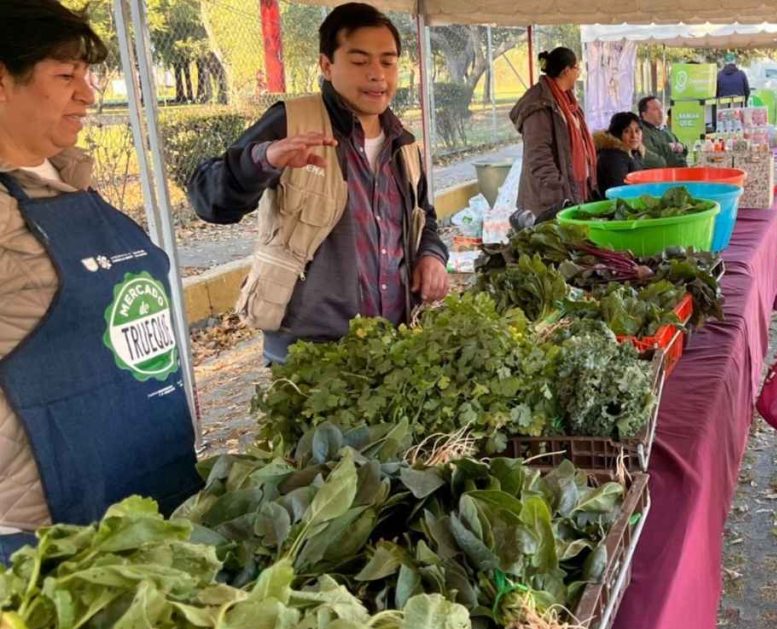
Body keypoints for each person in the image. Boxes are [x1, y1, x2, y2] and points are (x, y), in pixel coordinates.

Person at [0, 0, 201, 559]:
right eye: (65, 76)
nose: (88, 94)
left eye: (86, 75)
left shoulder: (68, 178)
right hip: (56, 533)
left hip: (149, 486)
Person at [189, 3, 448, 365]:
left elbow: (425, 218)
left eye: (388, 62)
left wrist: (431, 256)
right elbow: (208, 200)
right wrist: (262, 160)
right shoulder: (293, 122)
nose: (377, 75)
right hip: (312, 356)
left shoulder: (402, 142)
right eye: (360, 61)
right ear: (327, 65)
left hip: (393, 345)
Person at [510, 47, 597, 217]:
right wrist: (557, 187)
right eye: (577, 68)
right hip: (549, 198)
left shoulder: (566, 100)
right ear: (566, 71)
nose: (578, 73)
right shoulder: (539, 104)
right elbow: (538, 153)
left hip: (569, 190)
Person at [594, 112, 651, 197]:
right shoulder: (613, 157)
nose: (634, 136)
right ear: (616, 134)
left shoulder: (633, 152)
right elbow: (620, 193)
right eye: (627, 131)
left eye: (637, 130)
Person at [638, 96, 687, 167]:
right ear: (644, 114)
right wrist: (670, 147)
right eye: (655, 109)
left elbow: (681, 149)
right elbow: (653, 158)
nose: (660, 112)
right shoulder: (641, 132)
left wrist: (682, 146)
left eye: (661, 108)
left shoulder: (664, 129)